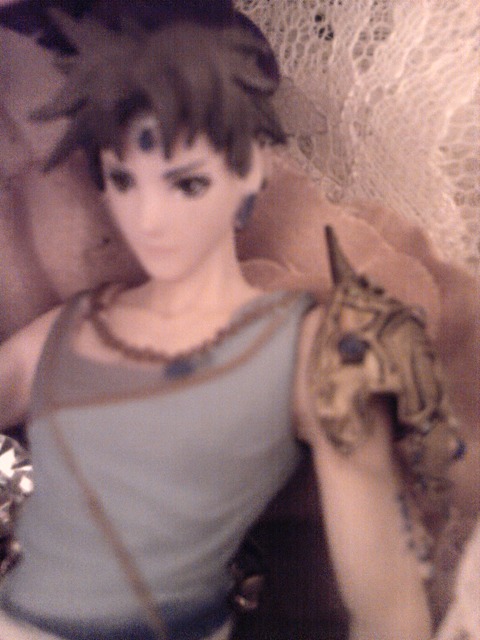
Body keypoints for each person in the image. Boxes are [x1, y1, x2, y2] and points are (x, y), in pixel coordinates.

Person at [0, 3, 442, 639]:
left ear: (251, 169)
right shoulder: (70, 330)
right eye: (123, 180)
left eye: (185, 182)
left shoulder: (311, 355)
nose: (150, 217)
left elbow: (388, 604)